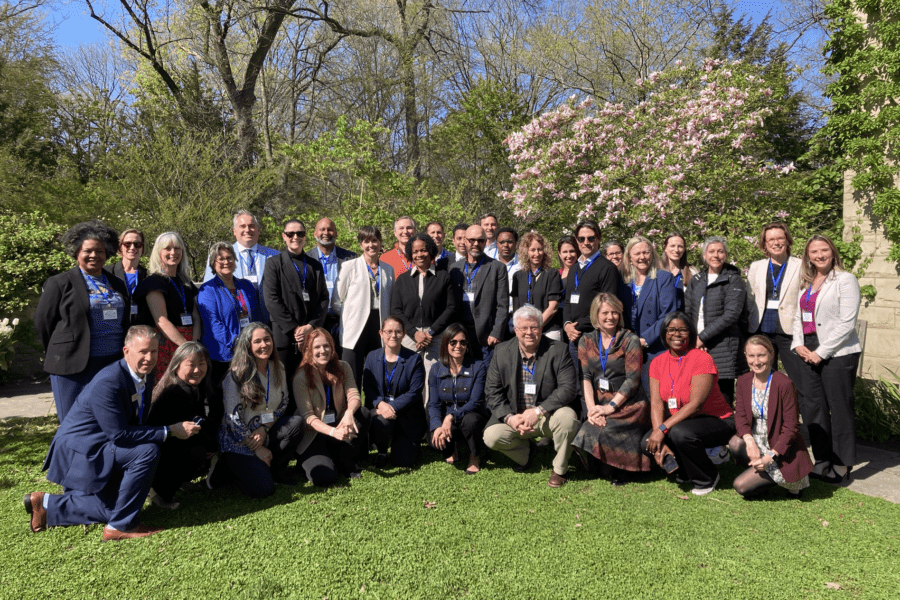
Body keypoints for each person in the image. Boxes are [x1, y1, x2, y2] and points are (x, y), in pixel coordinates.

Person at [27, 326, 200, 541]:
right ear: (126, 351)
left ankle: (46, 504)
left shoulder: (145, 373)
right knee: (147, 451)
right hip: (82, 451)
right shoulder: (109, 381)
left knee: (114, 508)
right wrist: (169, 431)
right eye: (143, 351)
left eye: (154, 351)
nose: (149, 358)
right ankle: (120, 526)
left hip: (104, 444)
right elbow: (120, 435)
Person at [36, 221, 132, 423]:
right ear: (76, 252)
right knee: (73, 422)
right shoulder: (60, 283)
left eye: (99, 251)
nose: (94, 255)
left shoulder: (117, 283)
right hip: (73, 364)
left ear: (107, 253)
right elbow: (44, 322)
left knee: (106, 419)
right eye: (87, 251)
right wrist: (60, 349)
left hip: (112, 362)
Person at [790, 234, 861, 483]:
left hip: (837, 352)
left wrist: (821, 352)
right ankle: (821, 460)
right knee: (813, 407)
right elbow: (798, 316)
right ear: (807, 256)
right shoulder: (807, 282)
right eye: (814, 251)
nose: (819, 255)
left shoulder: (845, 280)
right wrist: (798, 343)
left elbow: (847, 323)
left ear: (833, 252)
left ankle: (841, 464)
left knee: (839, 408)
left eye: (824, 250)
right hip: (807, 350)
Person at [483, 306, 579, 488]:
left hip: (547, 416)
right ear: (515, 329)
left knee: (568, 418)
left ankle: (560, 469)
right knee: (491, 436)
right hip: (517, 417)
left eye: (534, 327)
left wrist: (538, 412)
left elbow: (568, 388)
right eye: (524, 328)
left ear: (541, 328)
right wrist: (510, 419)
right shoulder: (501, 351)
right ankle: (526, 453)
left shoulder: (559, 350)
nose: (529, 332)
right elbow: (492, 392)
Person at [642, 313, 735, 495]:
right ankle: (685, 470)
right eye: (671, 330)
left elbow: (696, 404)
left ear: (691, 333)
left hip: (717, 420)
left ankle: (707, 477)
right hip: (683, 421)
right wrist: (657, 434)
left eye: (682, 330)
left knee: (680, 433)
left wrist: (662, 429)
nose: (677, 334)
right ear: (664, 333)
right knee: (647, 442)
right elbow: (657, 403)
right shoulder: (657, 362)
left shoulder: (701, 359)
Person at [213, 323, 304, 497]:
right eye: (257, 341)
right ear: (248, 346)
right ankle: (225, 468)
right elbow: (233, 419)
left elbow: (284, 402)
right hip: (239, 440)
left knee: (296, 423)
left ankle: (274, 469)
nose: (264, 345)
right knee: (264, 490)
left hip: (264, 432)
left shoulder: (278, 367)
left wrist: (264, 428)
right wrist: (256, 448)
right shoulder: (235, 376)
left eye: (267, 339)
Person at [571, 294, 651, 485]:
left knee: (609, 428)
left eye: (614, 312)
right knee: (589, 429)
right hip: (600, 401)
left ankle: (627, 468)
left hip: (629, 403)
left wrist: (609, 408)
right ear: (595, 315)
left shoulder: (629, 339)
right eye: (605, 313)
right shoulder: (586, 340)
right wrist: (592, 409)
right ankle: (607, 464)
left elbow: (632, 380)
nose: (610, 317)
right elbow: (585, 377)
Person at [726, 336, 813, 498]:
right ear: (745, 356)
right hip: (757, 440)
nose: (756, 361)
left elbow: (791, 427)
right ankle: (758, 475)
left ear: (772, 355)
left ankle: (790, 483)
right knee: (735, 442)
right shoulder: (744, 381)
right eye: (751, 356)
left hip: (780, 449)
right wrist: (749, 441)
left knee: (740, 486)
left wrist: (770, 456)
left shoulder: (784, 384)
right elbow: (741, 415)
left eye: (761, 355)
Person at [145, 342, 220, 509]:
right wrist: (213, 445)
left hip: (175, 441)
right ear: (177, 365)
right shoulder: (176, 391)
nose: (197, 370)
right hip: (160, 449)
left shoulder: (195, 386)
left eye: (201, 364)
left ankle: (180, 482)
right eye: (191, 364)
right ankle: (159, 492)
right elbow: (191, 428)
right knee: (197, 452)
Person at [293, 328, 370, 485]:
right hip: (315, 435)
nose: (323, 351)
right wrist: (333, 432)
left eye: (326, 345)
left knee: (363, 413)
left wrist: (349, 413)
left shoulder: (343, 367)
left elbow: (354, 395)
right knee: (325, 477)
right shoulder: (301, 377)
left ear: (332, 347)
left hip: (338, 425)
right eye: (317, 347)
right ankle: (306, 460)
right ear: (308, 350)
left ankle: (343, 458)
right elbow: (309, 417)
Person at [562, 220, 622, 414]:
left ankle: (601, 423)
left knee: (599, 386)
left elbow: (608, 308)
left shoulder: (607, 268)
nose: (586, 242)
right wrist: (567, 325)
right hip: (574, 338)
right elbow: (568, 302)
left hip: (596, 337)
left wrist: (577, 327)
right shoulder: (574, 268)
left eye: (590, 238)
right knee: (580, 385)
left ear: (599, 239)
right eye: (581, 239)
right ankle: (585, 424)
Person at [390, 233, 457, 400]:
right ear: (410, 254)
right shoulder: (402, 280)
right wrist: (415, 333)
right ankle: (408, 413)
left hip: (436, 336)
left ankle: (430, 415)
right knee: (407, 377)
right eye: (415, 251)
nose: (419, 255)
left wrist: (430, 332)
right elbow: (396, 310)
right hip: (409, 336)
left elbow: (451, 308)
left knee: (433, 380)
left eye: (423, 250)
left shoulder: (443, 277)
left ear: (431, 251)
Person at [263, 219, 328, 386]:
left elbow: (323, 299)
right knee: (283, 384)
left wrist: (310, 326)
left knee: (311, 384)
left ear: (305, 236)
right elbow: (271, 299)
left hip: (311, 335)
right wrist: (295, 329)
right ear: (284, 236)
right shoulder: (273, 264)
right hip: (284, 335)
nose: (295, 237)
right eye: (290, 234)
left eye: (300, 233)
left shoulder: (315, 265)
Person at [684, 236, 747, 404]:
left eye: (720, 251)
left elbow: (731, 314)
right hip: (697, 345)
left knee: (722, 397)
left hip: (723, 346)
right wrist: (694, 339)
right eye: (711, 251)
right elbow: (688, 312)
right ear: (704, 255)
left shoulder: (733, 279)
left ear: (726, 255)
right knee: (699, 396)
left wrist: (702, 337)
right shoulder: (696, 280)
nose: (716, 255)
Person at [133, 231, 202, 382]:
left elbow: (196, 316)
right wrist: (186, 347)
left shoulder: (186, 282)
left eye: (177, 248)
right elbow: (161, 321)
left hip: (190, 345)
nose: (173, 253)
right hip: (168, 346)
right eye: (167, 248)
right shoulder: (154, 282)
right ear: (158, 252)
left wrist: (195, 343)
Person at [334, 226, 395, 385]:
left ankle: (374, 402)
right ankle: (351, 402)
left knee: (377, 375)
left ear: (380, 242)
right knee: (351, 375)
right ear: (361, 244)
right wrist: (349, 317)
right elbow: (336, 300)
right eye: (366, 241)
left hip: (379, 325)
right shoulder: (349, 267)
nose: (371, 245)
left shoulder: (388, 269)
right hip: (355, 328)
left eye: (374, 240)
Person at [362, 317, 426, 468]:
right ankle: (382, 452)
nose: (393, 335)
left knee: (403, 461)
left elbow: (415, 392)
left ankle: (405, 441)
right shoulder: (372, 356)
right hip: (382, 414)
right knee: (382, 420)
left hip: (407, 415)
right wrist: (380, 404)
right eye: (389, 331)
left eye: (398, 331)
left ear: (403, 334)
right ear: (381, 333)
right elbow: (368, 387)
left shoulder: (414, 359)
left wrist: (390, 407)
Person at [427, 325, 489, 475]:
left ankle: (474, 455)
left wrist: (450, 416)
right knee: (437, 443)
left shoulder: (478, 366)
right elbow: (433, 403)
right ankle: (452, 447)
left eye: (463, 342)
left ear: (467, 345)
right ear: (445, 343)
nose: (458, 346)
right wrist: (436, 427)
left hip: (470, 416)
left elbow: (475, 402)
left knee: (470, 421)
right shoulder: (435, 369)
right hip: (447, 420)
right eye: (453, 342)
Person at [619, 236, 678, 393]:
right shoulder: (622, 281)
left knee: (654, 396)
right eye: (637, 253)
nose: (642, 257)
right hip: (628, 348)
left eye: (646, 252)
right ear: (629, 257)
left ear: (652, 254)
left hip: (655, 348)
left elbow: (668, 314)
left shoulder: (663, 278)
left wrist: (645, 340)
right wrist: (629, 340)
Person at [746, 223, 804, 381]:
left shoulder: (801, 265)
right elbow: (749, 299)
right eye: (771, 240)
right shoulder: (756, 267)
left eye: (780, 238)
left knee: (797, 377)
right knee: (765, 378)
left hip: (789, 331)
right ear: (764, 244)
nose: (776, 243)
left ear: (787, 240)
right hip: (762, 330)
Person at [198, 242, 260, 386]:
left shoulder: (246, 286)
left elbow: (256, 314)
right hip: (223, 356)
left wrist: (255, 339)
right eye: (221, 259)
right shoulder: (207, 290)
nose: (226, 262)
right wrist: (237, 343)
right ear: (213, 263)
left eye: (229, 257)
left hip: (250, 351)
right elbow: (213, 324)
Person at [203, 210, 280, 324]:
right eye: (242, 226)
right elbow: (209, 288)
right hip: (234, 322)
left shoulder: (275, 256)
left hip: (271, 321)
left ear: (258, 230)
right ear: (234, 231)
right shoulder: (220, 256)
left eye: (251, 226)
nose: (247, 230)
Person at [449, 224, 508, 362]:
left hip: (486, 336)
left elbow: (502, 305)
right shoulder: (454, 268)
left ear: (485, 242)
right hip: (461, 335)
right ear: (465, 241)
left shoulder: (497, 268)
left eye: (480, 240)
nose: (476, 244)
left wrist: (496, 333)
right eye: (472, 240)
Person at [307, 217, 357, 356]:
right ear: (315, 233)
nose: (326, 233)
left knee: (343, 360)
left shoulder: (351, 258)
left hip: (343, 320)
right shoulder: (306, 259)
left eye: (330, 229)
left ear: (336, 233)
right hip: (316, 320)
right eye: (322, 229)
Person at [510, 231, 563, 341]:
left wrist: (536, 326)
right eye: (532, 250)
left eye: (540, 249)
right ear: (526, 252)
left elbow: (553, 307)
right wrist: (525, 328)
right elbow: (516, 308)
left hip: (548, 330)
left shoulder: (552, 274)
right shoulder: (518, 276)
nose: (537, 253)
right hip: (525, 332)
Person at [109, 228, 148, 318]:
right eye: (128, 244)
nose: (132, 247)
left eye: (137, 244)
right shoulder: (107, 273)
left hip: (140, 325)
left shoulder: (149, 276)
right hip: (115, 323)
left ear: (142, 248)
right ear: (120, 247)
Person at [659, 232, 698, 309]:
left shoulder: (692, 272)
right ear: (665, 248)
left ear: (684, 249)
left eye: (680, 246)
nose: (676, 250)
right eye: (672, 246)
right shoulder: (656, 272)